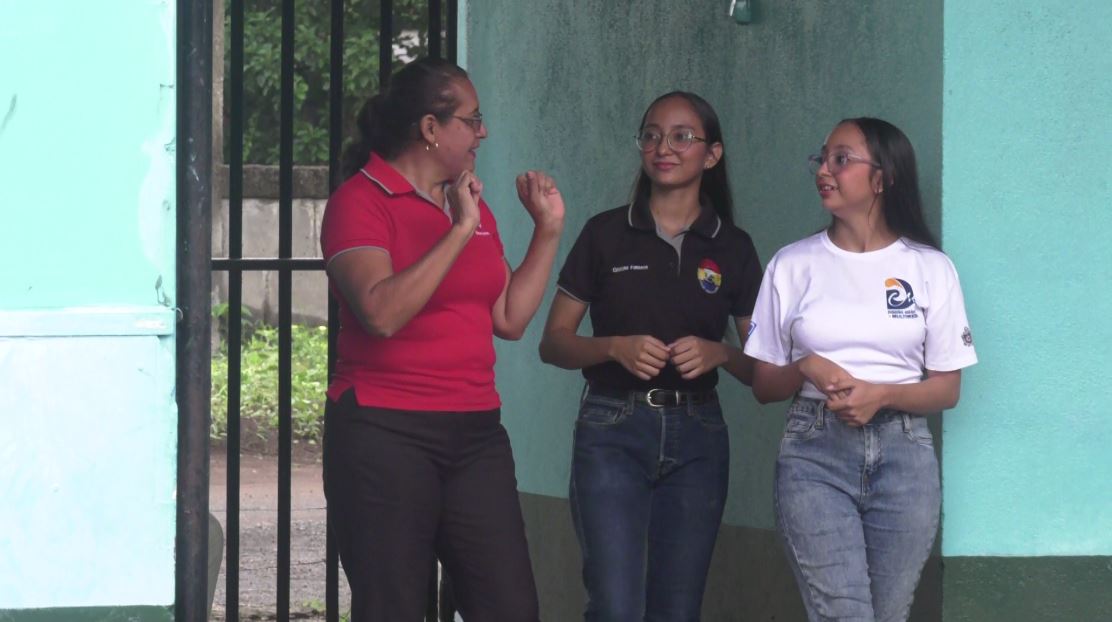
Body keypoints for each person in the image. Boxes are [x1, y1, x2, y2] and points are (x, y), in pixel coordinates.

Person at [319, 57, 564, 621]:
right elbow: (380, 313)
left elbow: (508, 318)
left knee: (509, 607)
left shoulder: (469, 206)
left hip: (476, 433)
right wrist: (457, 229)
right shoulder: (361, 200)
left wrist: (547, 232)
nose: (484, 132)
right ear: (430, 128)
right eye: (472, 120)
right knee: (396, 609)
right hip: (384, 432)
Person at [538, 91, 763, 620]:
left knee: (677, 609)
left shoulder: (733, 246)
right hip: (611, 427)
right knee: (615, 606)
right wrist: (613, 346)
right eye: (652, 135)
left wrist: (721, 354)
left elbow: (765, 370)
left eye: (683, 136)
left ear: (712, 154)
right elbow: (553, 342)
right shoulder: (605, 233)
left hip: (700, 437)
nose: (664, 147)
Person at [744, 117, 978, 621]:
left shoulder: (929, 268)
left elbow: (947, 389)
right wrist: (804, 364)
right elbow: (764, 385)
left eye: (841, 159)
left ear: (882, 177)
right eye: (822, 159)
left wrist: (881, 394)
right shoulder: (792, 264)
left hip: (905, 456)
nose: (824, 170)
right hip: (814, 452)